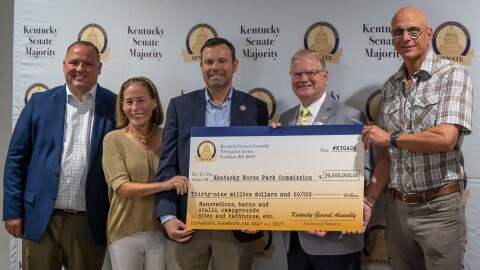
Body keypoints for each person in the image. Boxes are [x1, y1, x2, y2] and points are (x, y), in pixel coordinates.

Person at [361, 6, 473, 270]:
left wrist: (392, 138)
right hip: (397, 209)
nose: (406, 37)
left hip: (439, 209)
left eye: (413, 30)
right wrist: (369, 199)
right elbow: (389, 156)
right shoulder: (390, 86)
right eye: (398, 31)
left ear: (428, 33)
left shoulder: (452, 75)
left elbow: (445, 138)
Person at [155, 37, 269, 270]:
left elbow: (263, 169)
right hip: (186, 225)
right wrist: (167, 217)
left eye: (222, 61)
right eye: (208, 62)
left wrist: (260, 214)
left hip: (237, 225)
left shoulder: (256, 108)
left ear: (235, 65)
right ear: (201, 66)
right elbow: (167, 166)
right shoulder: (179, 106)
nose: (214, 67)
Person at [3, 40, 117, 269]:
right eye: (74, 62)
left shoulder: (115, 105)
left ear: (99, 68)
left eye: (88, 63)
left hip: (89, 221)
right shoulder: (39, 102)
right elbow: (16, 160)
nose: (80, 68)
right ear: (63, 65)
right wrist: (13, 210)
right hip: (41, 218)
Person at [277, 49, 370, 270]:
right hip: (294, 236)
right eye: (296, 74)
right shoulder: (285, 119)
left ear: (325, 76)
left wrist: (329, 213)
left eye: (311, 72)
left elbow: (362, 174)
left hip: (335, 238)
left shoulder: (350, 116)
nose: (303, 79)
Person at [102, 77, 188, 270]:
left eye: (141, 100)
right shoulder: (113, 140)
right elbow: (122, 188)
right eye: (129, 102)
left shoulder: (169, 136)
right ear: (122, 107)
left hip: (163, 232)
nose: (135, 107)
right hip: (124, 234)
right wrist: (166, 184)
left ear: (154, 102)